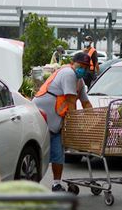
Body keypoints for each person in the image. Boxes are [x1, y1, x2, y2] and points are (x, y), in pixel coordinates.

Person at [33, 52, 93, 192]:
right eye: (81, 66)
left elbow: (85, 103)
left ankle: (56, 183)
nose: (83, 69)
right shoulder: (68, 73)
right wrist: (74, 123)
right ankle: (33, 185)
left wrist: (96, 120)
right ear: (73, 63)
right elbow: (71, 101)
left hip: (56, 122)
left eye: (85, 67)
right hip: (42, 119)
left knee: (58, 153)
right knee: (40, 152)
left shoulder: (80, 82)